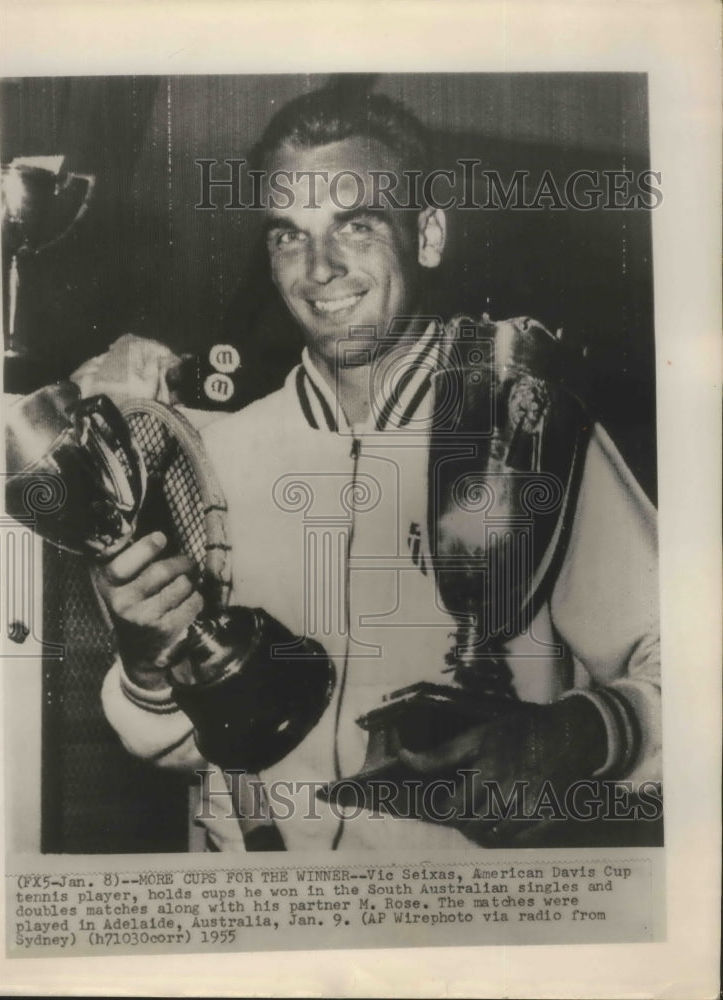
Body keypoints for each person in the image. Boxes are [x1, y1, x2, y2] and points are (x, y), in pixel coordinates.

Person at [87, 88, 661, 852]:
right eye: (288, 236)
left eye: (355, 225)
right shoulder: (218, 457)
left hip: (465, 915)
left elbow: (690, 667)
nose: (319, 269)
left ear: (427, 234)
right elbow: (192, 748)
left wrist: (580, 733)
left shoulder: (523, 425)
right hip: (265, 909)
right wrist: (148, 666)